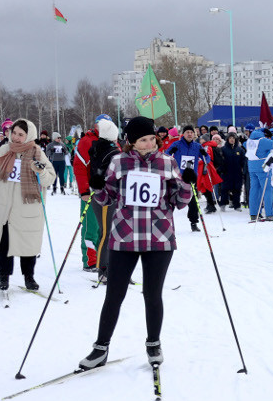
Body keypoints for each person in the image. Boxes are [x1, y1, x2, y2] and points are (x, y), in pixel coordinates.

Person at [78, 116, 192, 371]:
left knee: (152, 294)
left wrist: (187, 184)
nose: (150, 143)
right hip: (125, 236)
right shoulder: (119, 162)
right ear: (131, 142)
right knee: (114, 295)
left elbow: (179, 201)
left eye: (152, 138)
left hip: (159, 237)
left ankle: (153, 344)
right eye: (143, 139)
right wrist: (97, 186)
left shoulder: (166, 161)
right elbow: (107, 197)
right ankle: (100, 348)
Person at [0, 119, 56, 291]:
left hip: (27, 207)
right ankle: (3, 276)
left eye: (20, 134)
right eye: (13, 133)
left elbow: (50, 178)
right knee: (4, 244)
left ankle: (29, 277)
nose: (15, 137)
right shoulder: (5, 149)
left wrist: (41, 171)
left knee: (28, 245)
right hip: (5, 206)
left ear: (29, 135)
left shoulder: (36, 152)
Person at [86, 119, 122, 283]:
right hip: (107, 195)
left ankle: (110, 267)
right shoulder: (111, 152)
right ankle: (102, 269)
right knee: (107, 233)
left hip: (101, 193)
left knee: (108, 232)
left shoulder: (98, 148)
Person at [169, 125, 213, 231]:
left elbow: (207, 159)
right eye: (187, 132)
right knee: (172, 201)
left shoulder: (197, 146)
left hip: (191, 177)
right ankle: (167, 221)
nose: (189, 134)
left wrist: (204, 154)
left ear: (194, 134)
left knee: (193, 202)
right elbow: (166, 155)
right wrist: (171, 152)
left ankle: (194, 223)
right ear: (183, 134)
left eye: (191, 132)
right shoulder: (177, 144)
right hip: (177, 176)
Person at [245, 127, 273, 221]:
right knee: (267, 190)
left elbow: (243, 143)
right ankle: (269, 214)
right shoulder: (263, 141)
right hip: (262, 167)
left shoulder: (249, 141)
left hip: (251, 167)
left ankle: (254, 213)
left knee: (254, 190)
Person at [219, 132, 246, 211]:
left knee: (237, 189)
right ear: (227, 139)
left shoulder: (240, 149)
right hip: (226, 172)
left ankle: (236, 205)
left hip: (237, 173)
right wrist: (221, 169)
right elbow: (220, 160)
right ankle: (223, 204)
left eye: (233, 138)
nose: (232, 140)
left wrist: (242, 169)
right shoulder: (223, 149)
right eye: (230, 138)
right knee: (224, 189)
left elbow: (243, 160)